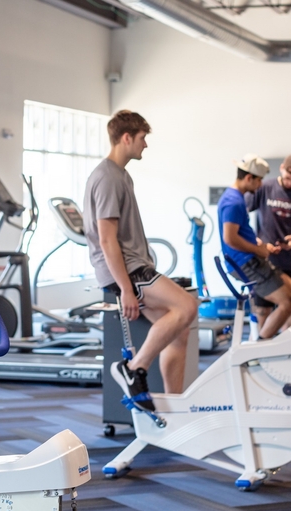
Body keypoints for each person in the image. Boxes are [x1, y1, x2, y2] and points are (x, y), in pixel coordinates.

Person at [82, 110, 197, 410]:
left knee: (179, 332)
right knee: (187, 306)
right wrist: (126, 289)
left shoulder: (121, 175)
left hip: (134, 266)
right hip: (128, 270)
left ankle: (174, 409)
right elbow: (107, 239)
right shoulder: (107, 177)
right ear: (127, 137)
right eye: (143, 138)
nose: (145, 145)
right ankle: (134, 368)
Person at [218, 155, 291, 339]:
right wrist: (258, 250)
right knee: (287, 303)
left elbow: (241, 232)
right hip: (246, 262)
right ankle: (259, 349)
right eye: (259, 180)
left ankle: (288, 346)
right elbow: (230, 238)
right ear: (249, 178)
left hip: (250, 257)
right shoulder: (234, 201)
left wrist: (262, 245)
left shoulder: (235, 197)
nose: (261, 185)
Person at [245, 154, 291, 334]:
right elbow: (241, 217)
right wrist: (257, 243)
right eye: (287, 178)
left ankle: (290, 358)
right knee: (264, 313)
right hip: (266, 262)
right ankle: (262, 355)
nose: (290, 183)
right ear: (281, 168)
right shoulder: (264, 188)